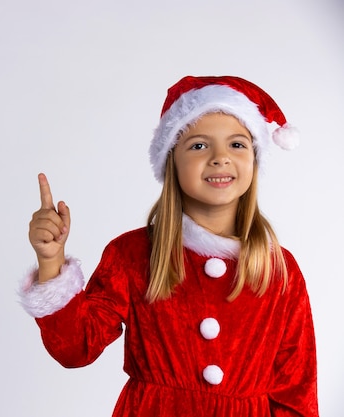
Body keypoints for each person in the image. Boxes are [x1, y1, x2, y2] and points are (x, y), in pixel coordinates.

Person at [18, 76, 318, 416]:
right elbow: (75, 348)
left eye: (237, 144)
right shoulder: (131, 255)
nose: (220, 158)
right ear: (171, 160)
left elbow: (296, 389)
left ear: (254, 158)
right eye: (200, 145)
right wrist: (51, 261)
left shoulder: (279, 269)